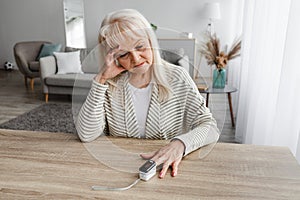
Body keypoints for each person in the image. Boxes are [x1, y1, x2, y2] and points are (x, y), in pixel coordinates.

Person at [75, 9, 220, 179]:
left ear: (151, 41)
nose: (136, 58)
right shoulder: (108, 84)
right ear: (113, 57)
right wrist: (101, 79)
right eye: (123, 54)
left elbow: (210, 127)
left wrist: (180, 144)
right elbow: (86, 134)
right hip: (117, 172)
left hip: (167, 172)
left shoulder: (177, 77)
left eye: (140, 46)